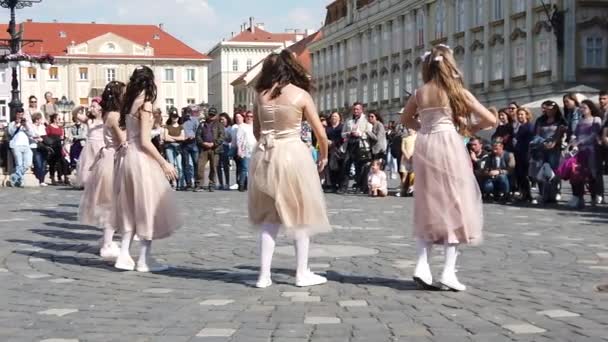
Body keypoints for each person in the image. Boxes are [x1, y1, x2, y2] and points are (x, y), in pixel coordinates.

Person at [401, 44, 497, 291]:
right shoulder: (456, 91)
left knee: (427, 201)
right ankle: (447, 272)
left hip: (425, 143)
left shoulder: (420, 92)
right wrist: (470, 129)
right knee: (455, 203)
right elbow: (490, 119)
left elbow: (405, 119)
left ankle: (422, 265)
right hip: (448, 143)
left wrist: (423, 127)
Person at [249, 50, 331, 288]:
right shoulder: (301, 95)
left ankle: (264, 275)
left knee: (269, 218)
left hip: (265, 154)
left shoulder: (261, 95)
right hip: (293, 154)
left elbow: (256, 130)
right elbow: (321, 135)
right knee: (300, 215)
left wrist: (266, 141)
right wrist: (323, 156)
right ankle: (301, 272)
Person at [113, 66, 181, 272]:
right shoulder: (146, 104)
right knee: (147, 209)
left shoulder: (130, 103)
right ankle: (144, 259)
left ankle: (124, 253)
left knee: (130, 208)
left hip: (128, 158)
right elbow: (145, 140)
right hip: (142, 160)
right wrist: (164, 162)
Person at [79, 81, 126, 259]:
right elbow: (122, 140)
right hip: (113, 158)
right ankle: (107, 243)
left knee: (113, 202)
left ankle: (107, 238)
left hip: (108, 156)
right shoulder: (114, 115)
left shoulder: (108, 113)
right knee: (112, 203)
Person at [566, 100, 603, 208]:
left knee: (592, 172)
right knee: (576, 173)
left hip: (590, 149)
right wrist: (571, 144)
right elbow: (575, 134)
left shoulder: (596, 119)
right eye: (581, 108)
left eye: (584, 107)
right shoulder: (580, 121)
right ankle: (578, 197)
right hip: (578, 150)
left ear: (590, 108)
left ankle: (594, 196)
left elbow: (593, 134)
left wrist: (580, 142)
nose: (582, 110)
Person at [338, 102, 372, 194]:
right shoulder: (349, 120)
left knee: (359, 167)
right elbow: (342, 133)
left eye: (357, 109)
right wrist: (348, 134)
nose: (355, 111)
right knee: (346, 164)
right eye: (354, 109)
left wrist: (360, 133)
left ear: (361, 110)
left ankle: (359, 186)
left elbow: (369, 132)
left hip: (360, 144)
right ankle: (344, 186)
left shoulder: (366, 120)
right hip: (350, 143)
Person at [75, 98, 105, 189]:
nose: (91, 108)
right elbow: (74, 114)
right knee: (87, 167)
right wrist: (80, 107)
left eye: (93, 106)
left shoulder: (106, 119)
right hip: (90, 146)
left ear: (100, 108)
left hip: (101, 145)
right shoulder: (89, 120)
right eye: (90, 106)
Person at [195, 107, 224, 192]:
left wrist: (214, 144)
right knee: (200, 166)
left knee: (213, 167)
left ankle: (212, 184)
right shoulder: (202, 124)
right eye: (210, 114)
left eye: (213, 115)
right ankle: (199, 184)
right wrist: (202, 143)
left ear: (216, 115)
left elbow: (222, 136)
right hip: (204, 148)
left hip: (214, 149)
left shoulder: (219, 125)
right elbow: (198, 136)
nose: (211, 116)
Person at [480, 138, 515, 202]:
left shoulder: (509, 155)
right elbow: (485, 169)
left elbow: (511, 169)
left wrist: (499, 172)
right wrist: (488, 172)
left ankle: (506, 195)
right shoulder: (489, 156)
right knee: (488, 185)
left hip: (506, 177)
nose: (494, 151)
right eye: (493, 149)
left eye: (496, 149)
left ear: (502, 147)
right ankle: (492, 194)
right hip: (493, 177)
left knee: (502, 177)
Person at [513, 107, 535, 202]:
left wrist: (529, 153)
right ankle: (524, 194)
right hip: (519, 152)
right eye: (518, 114)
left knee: (525, 175)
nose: (520, 116)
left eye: (522, 114)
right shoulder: (520, 126)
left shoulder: (529, 126)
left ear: (527, 115)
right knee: (520, 175)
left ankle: (528, 195)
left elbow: (531, 141)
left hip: (525, 152)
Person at [8, 108, 34, 187]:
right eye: (18, 114)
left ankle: (14, 177)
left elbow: (31, 134)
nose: (20, 116)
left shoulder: (26, 123)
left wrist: (25, 125)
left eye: (21, 114)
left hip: (26, 145)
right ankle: (20, 181)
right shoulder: (12, 123)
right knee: (19, 164)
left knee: (28, 164)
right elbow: (11, 132)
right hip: (16, 145)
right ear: (16, 115)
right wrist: (17, 125)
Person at [164, 110, 185, 190]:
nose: (174, 118)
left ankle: (181, 183)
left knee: (179, 166)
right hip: (169, 148)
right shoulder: (167, 126)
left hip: (178, 148)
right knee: (171, 165)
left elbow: (183, 138)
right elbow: (166, 137)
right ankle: (174, 183)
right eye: (173, 116)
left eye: (176, 117)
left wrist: (171, 137)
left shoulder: (181, 127)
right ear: (170, 117)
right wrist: (177, 139)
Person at [46, 114, 69, 185]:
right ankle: (53, 178)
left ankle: (65, 177)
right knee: (53, 162)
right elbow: (46, 136)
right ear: (54, 119)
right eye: (58, 119)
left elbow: (62, 136)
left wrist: (64, 140)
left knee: (63, 161)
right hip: (52, 146)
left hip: (59, 146)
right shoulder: (49, 127)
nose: (59, 120)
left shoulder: (60, 127)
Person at [235, 111, 256, 191]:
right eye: (248, 116)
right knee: (244, 168)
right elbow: (239, 139)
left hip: (255, 149)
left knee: (254, 169)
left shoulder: (256, 126)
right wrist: (239, 149)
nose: (249, 118)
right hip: (245, 150)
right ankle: (241, 184)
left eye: (251, 116)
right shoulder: (242, 126)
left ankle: (251, 185)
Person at [181, 106, 200, 190]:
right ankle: (188, 183)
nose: (187, 114)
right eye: (186, 112)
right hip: (184, 144)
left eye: (189, 112)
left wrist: (193, 136)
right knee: (185, 164)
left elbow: (198, 131)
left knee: (196, 163)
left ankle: (197, 182)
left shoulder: (195, 120)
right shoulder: (180, 120)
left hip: (193, 143)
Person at [31, 113, 50, 187]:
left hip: (42, 147)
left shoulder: (42, 126)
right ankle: (38, 179)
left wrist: (40, 138)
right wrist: (37, 138)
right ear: (36, 119)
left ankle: (42, 180)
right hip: (34, 146)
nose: (41, 120)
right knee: (38, 163)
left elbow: (43, 136)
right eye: (40, 119)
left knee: (43, 164)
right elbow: (31, 135)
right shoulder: (31, 126)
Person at [217, 113, 233, 190]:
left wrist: (225, 137)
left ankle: (227, 183)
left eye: (223, 119)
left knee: (225, 166)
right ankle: (220, 183)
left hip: (225, 147)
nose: (221, 121)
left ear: (227, 119)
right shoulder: (217, 127)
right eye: (220, 120)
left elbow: (230, 139)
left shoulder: (230, 128)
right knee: (218, 165)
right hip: (217, 147)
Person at [399, 127, 416, 196]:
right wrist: (406, 155)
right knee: (404, 175)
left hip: (413, 158)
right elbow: (402, 148)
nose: (409, 130)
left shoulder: (416, 137)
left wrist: (412, 155)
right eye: (408, 129)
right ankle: (402, 190)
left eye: (411, 128)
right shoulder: (404, 138)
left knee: (413, 174)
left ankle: (411, 189)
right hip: (405, 159)